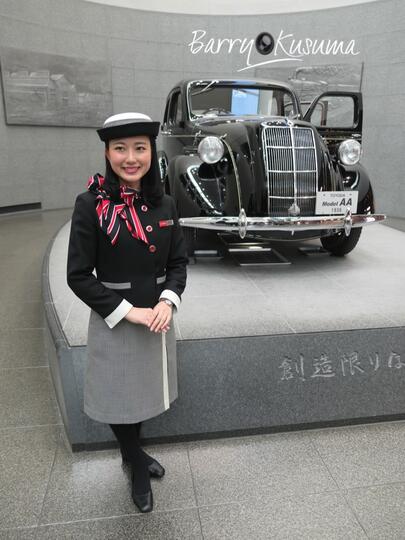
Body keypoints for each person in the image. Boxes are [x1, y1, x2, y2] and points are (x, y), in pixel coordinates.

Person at [66, 112, 187, 513]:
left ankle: (132, 453)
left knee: (142, 393)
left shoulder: (165, 202)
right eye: (120, 148)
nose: (130, 157)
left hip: (156, 318)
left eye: (140, 147)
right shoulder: (90, 205)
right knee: (120, 397)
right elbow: (78, 276)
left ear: (152, 150)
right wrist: (128, 311)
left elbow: (178, 264)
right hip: (116, 319)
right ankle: (135, 462)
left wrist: (168, 301)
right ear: (107, 152)